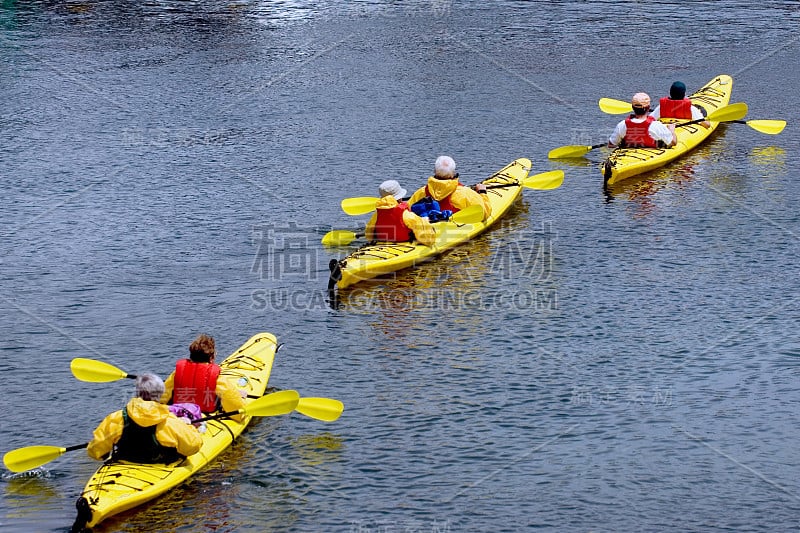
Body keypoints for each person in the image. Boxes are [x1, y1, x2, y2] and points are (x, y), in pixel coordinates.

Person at [87, 373, 202, 463]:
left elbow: (95, 452)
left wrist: (103, 452)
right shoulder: (170, 421)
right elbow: (193, 447)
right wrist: (188, 426)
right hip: (161, 464)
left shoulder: (115, 418)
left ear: (138, 393)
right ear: (161, 394)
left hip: (126, 462)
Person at [161, 334, 247, 422]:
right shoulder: (217, 378)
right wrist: (240, 399)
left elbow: (162, 397)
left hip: (180, 412)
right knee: (219, 396)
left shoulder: (176, 373)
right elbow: (238, 413)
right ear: (212, 357)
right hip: (206, 414)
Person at [407, 156, 492, 221]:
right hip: (454, 230)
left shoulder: (421, 193)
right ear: (453, 174)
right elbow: (485, 213)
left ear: (435, 171)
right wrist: (482, 192)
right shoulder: (465, 193)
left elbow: (407, 212)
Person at [365, 180, 436, 245]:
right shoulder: (406, 214)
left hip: (381, 244)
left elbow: (369, 234)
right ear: (399, 197)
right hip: (404, 245)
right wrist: (425, 223)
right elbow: (428, 239)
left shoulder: (377, 214)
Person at [608, 92, 677, 149]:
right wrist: (671, 131)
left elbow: (611, 145)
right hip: (650, 156)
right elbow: (673, 142)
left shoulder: (622, 125)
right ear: (648, 108)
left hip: (628, 156)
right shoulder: (656, 125)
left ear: (632, 107)